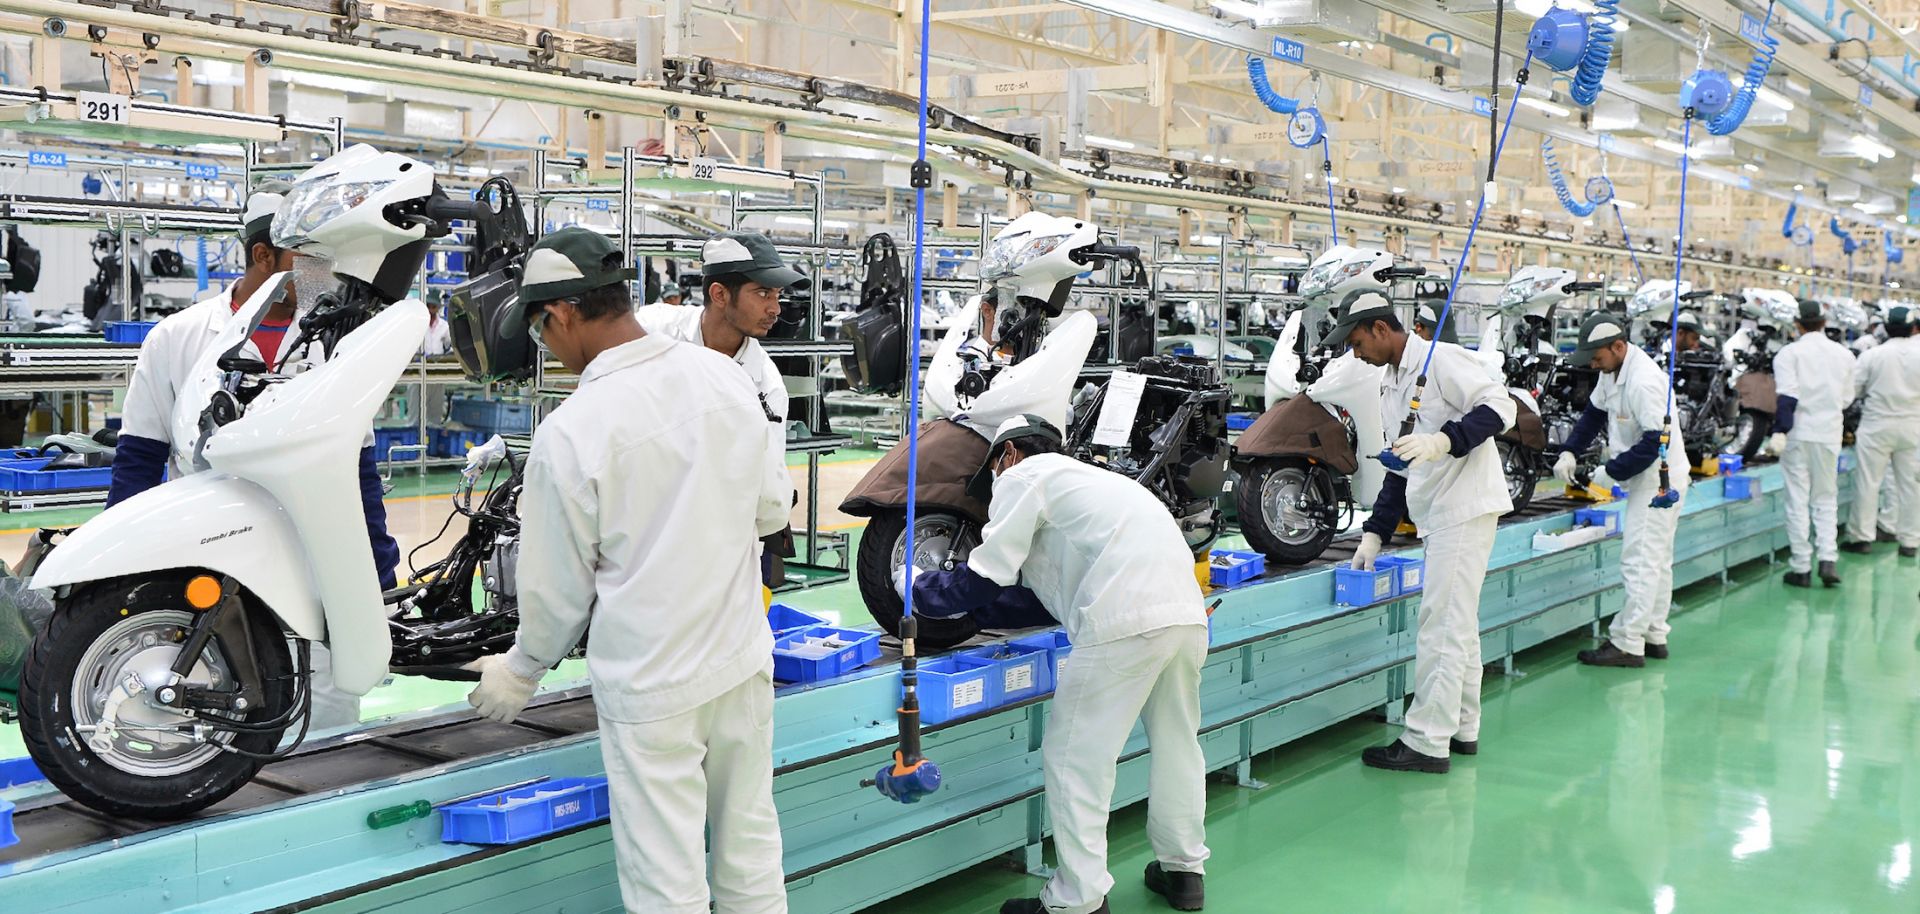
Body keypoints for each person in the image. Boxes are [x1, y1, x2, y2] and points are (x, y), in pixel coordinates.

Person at [464, 227, 793, 914]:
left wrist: (521, 670)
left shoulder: (574, 430)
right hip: (739, 660)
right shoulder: (726, 379)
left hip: (653, 687)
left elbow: (556, 592)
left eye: (541, 334)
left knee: (665, 879)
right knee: (750, 848)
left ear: (559, 315)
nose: (548, 352)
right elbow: (769, 511)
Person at [108, 184, 399, 729]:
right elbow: (139, 460)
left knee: (328, 712)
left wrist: (379, 569)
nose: (322, 273)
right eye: (307, 257)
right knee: (210, 708)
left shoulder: (332, 341)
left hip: (313, 557)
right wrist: (125, 576)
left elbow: (358, 464)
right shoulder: (179, 337)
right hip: (208, 561)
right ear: (263, 255)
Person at [909, 414, 1210, 914]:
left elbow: (983, 578)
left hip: (1124, 622)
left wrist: (917, 590)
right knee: (1178, 743)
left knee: (1075, 760)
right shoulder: (1098, 488)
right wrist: (963, 610)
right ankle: (1184, 871)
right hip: (1184, 616)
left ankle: (1078, 899)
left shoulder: (1025, 476)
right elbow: (1033, 601)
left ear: (1007, 456)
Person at [1335, 292, 1515, 774]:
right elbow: (1401, 462)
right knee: (1459, 623)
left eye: (1356, 342)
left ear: (1379, 328)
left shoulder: (1441, 359)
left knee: (1441, 625)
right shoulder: (1392, 381)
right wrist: (1375, 532)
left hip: (1464, 506)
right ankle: (1462, 726)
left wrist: (1444, 440)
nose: (1356, 354)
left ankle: (1426, 742)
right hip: (1439, 510)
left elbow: (1501, 407)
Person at [637, 232, 803, 587]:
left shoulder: (766, 387)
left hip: (711, 546)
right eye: (763, 293)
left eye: (777, 296)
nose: (775, 308)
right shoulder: (654, 329)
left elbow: (767, 495)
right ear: (719, 294)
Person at [1550, 312, 1689, 668]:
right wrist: (1570, 450)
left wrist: (1609, 473)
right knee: (1657, 560)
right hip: (1645, 475)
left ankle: (1627, 643)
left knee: (1640, 559)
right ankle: (1654, 633)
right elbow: (1594, 415)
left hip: (1658, 480)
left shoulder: (1642, 381)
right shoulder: (1611, 371)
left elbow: (1656, 442)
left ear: (1619, 346)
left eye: (1597, 358)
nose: (1594, 365)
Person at [1770, 300, 1858, 587]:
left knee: (1797, 500)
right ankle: (1828, 560)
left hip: (1796, 434)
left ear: (1797, 324)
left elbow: (1787, 395)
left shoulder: (1788, 354)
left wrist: (1779, 430)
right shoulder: (1845, 356)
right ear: (1823, 322)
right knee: (1825, 497)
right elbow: (1846, 400)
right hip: (1829, 434)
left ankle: (1801, 567)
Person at [1842, 305, 1919, 558]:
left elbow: (1853, 391)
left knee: (1869, 482)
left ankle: (1862, 537)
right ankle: (1909, 541)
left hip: (1877, 425)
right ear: (1913, 328)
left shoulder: (1873, 356)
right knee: (1911, 486)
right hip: (1913, 427)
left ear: (1885, 327)